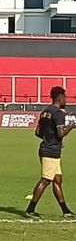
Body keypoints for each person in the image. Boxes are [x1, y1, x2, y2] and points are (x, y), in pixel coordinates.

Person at [26, 86, 75, 220]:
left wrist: (49, 139)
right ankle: (30, 209)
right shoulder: (59, 114)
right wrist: (71, 126)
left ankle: (65, 211)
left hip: (47, 149)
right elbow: (60, 133)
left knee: (57, 180)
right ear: (60, 98)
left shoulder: (45, 112)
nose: (66, 100)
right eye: (65, 98)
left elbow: (37, 132)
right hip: (51, 151)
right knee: (46, 180)